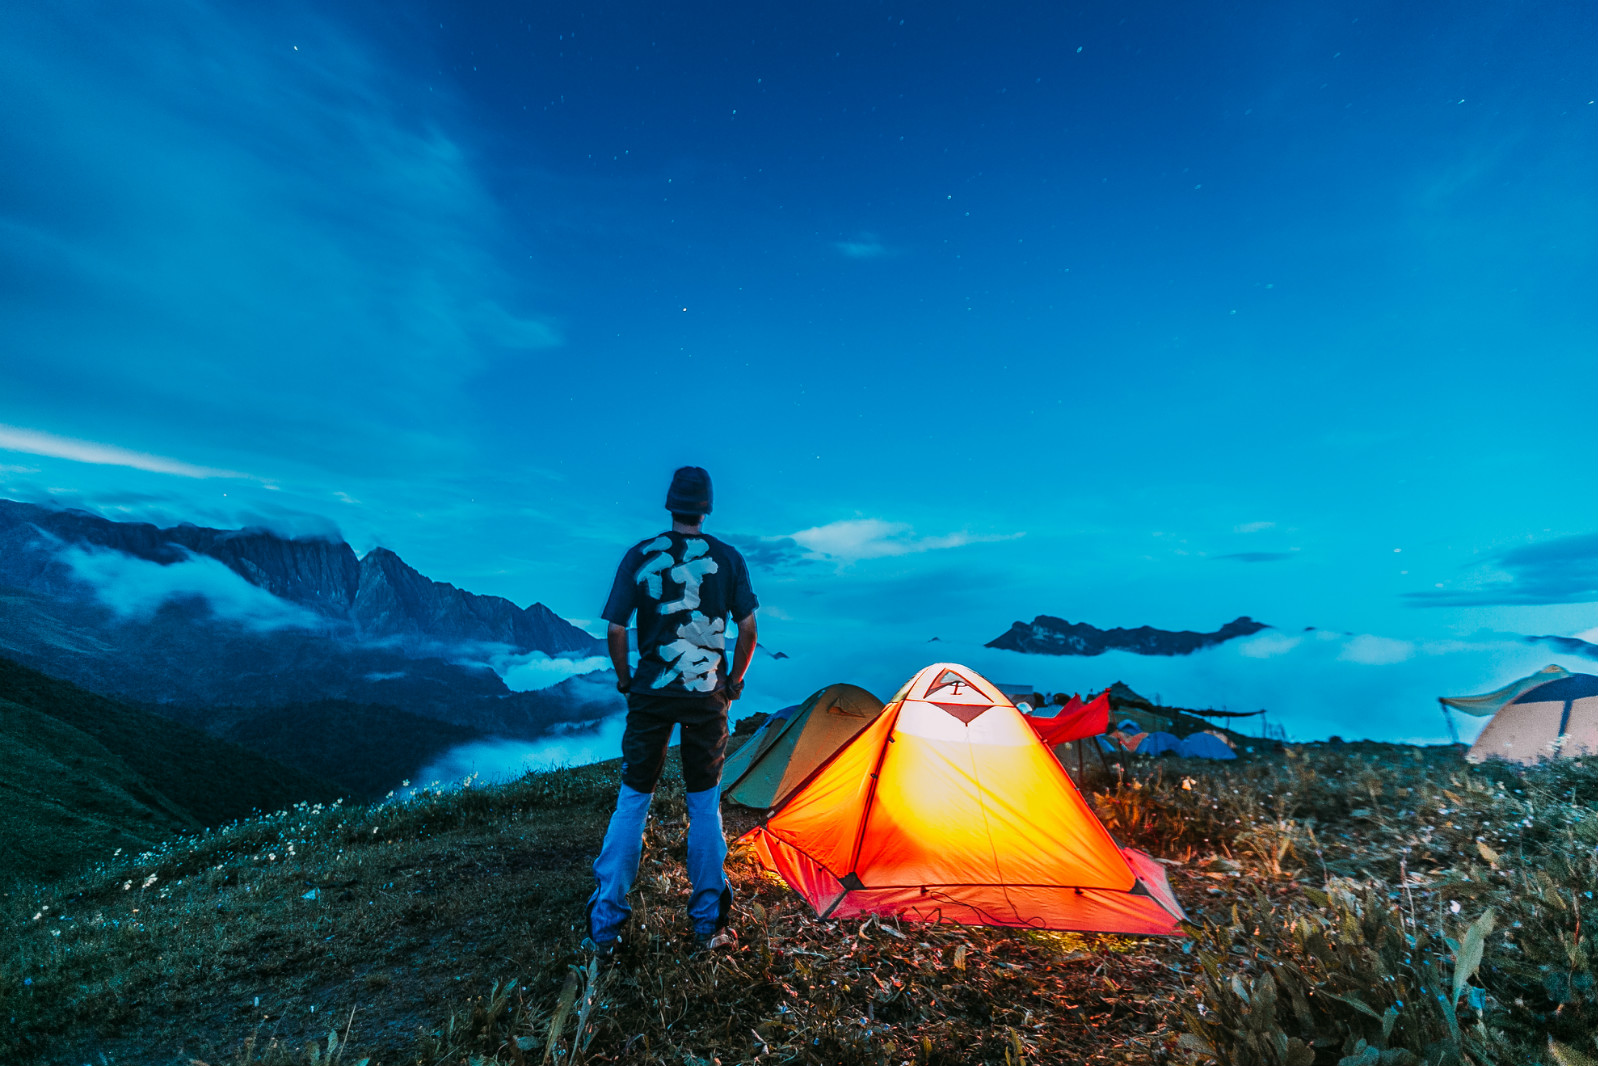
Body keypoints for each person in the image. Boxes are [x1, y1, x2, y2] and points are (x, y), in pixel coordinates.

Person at [585, 466, 759, 955]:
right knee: (703, 803)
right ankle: (707, 923)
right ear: (707, 507)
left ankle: (605, 925)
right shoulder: (728, 559)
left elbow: (617, 630)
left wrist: (625, 678)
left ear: (669, 505)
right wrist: (733, 681)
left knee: (633, 801)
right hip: (707, 697)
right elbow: (748, 631)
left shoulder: (640, 556)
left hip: (651, 694)